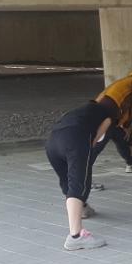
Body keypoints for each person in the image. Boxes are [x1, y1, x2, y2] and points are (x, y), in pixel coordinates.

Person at [45, 101, 118, 250]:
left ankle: (83, 208)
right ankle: (76, 236)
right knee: (79, 183)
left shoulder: (83, 110)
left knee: (67, 180)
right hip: (74, 139)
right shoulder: (108, 116)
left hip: (52, 142)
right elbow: (97, 139)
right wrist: (88, 151)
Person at [94, 69, 132, 173]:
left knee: (120, 136)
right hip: (108, 111)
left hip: (97, 109)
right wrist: (127, 124)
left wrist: (126, 124)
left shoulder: (122, 83)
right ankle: (82, 169)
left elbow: (123, 108)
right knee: (98, 145)